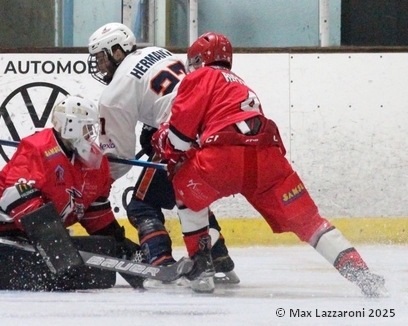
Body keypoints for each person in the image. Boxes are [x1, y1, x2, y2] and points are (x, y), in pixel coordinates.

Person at [151, 32, 386, 296]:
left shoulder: (201, 77)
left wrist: (163, 142)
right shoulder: (241, 84)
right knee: (310, 223)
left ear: (200, 59)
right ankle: (363, 275)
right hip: (267, 161)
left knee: (182, 181)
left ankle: (201, 264)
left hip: (223, 160)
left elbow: (179, 140)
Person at [87, 22, 238, 285]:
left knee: (141, 205)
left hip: (184, 131)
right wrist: (152, 132)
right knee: (189, 195)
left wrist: (94, 183)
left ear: (117, 52)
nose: (99, 66)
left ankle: (160, 264)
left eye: (101, 57)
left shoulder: (115, 92)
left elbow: (118, 158)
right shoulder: (158, 51)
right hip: (217, 127)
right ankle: (219, 257)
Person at [0, 95, 141, 290]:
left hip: (47, 229)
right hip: (5, 224)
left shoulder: (94, 162)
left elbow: (94, 210)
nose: (91, 135)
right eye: (87, 128)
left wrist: (118, 244)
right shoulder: (37, 148)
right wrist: (55, 244)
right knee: (38, 276)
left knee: (78, 277)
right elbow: (15, 197)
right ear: (71, 126)